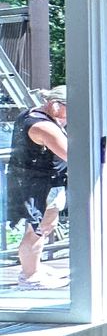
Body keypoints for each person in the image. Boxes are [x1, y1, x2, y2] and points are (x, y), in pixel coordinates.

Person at [8, 86, 68, 290]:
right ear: (55, 105)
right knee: (38, 229)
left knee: (44, 226)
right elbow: (71, 153)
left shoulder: (32, 114)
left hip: (34, 180)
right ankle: (30, 276)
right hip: (40, 184)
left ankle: (35, 267)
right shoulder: (43, 127)